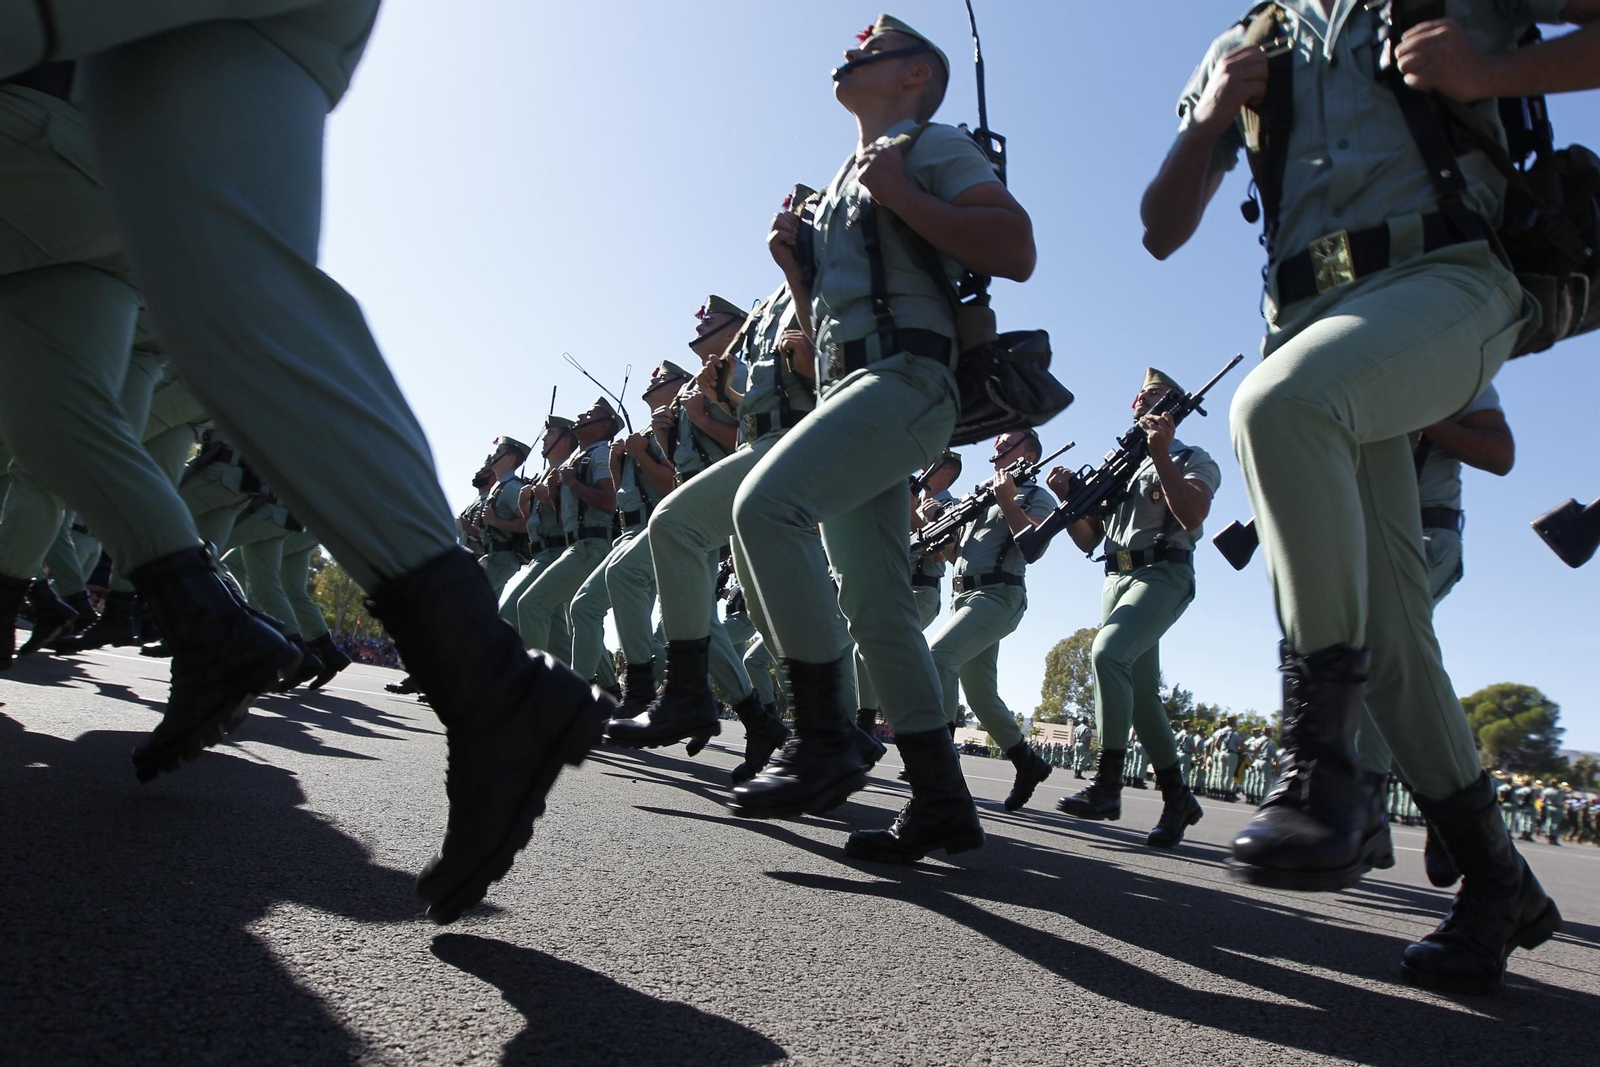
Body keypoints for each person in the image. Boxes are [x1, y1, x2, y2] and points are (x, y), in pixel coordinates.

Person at [0, 10, 616, 926]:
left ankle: (500, 676)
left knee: (217, 322)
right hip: (97, 134)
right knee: (82, 395)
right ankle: (470, 678)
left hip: (63, 113)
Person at [1144, 0, 1598, 989]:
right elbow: (1159, 228)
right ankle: (1499, 881)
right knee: (1391, 634)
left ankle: (1320, 771)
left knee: (1274, 407)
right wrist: (1210, 116)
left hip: (1446, 280)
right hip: (1306, 318)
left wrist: (1488, 74)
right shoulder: (1244, 38)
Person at [730, 13, 1036, 865]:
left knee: (766, 506)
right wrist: (797, 276)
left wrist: (902, 191)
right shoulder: (835, 188)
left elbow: (1016, 247)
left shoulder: (927, 146)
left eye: (872, 49)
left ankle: (825, 735)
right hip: (852, 391)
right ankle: (941, 801)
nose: (850, 54)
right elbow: (808, 342)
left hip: (908, 382)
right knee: (875, 603)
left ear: (914, 76)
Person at [1051, 368, 1220, 849]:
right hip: (1115, 577)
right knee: (1142, 696)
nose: (1155, 404)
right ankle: (1178, 799)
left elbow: (1191, 515)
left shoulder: (1193, 458)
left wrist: (1162, 454)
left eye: (1167, 399)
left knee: (1107, 654)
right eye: (1149, 397)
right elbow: (1089, 539)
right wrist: (1070, 503)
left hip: (1163, 574)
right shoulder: (1120, 466)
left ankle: (1108, 785)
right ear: (1135, 405)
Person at [925, 431, 1056, 811]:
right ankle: (1027, 763)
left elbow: (1034, 547)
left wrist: (1007, 501)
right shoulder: (981, 494)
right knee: (980, 694)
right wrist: (936, 524)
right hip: (963, 596)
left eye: (1008, 443)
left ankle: (942, 764)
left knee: (938, 657)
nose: (996, 446)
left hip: (999, 596)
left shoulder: (1034, 495)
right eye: (997, 442)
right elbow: (951, 556)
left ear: (1027, 453)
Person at [858, 449, 961, 733]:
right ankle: (864, 725)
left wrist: (912, 511)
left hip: (921, 591)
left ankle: (926, 732)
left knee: (896, 656)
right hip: (894, 589)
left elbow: (941, 552)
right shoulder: (911, 495)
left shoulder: (951, 506)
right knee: (863, 649)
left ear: (948, 473)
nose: (924, 465)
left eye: (932, 463)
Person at [514, 399, 620, 658]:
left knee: (533, 605)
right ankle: (585, 683)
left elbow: (608, 502)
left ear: (604, 425)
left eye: (590, 414)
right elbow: (566, 517)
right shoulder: (580, 458)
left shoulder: (600, 454)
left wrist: (572, 483)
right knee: (571, 618)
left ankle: (539, 684)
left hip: (591, 545)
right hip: (576, 545)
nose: (581, 415)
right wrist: (553, 493)